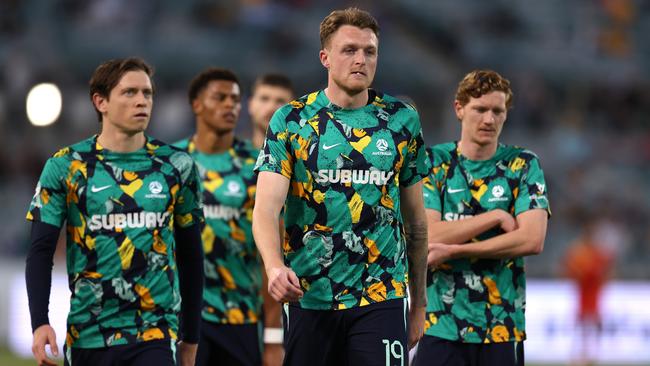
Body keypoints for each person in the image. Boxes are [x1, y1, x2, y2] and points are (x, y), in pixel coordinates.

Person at [253, 7, 430, 366]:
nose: (361, 59)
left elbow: (417, 223)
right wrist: (274, 267)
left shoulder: (401, 120)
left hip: (381, 296)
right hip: (311, 295)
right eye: (349, 50)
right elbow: (266, 210)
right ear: (325, 58)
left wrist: (419, 303)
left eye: (370, 51)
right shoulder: (291, 120)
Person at [25, 57, 204, 366]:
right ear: (101, 101)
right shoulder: (66, 166)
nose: (142, 101)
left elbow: (191, 255)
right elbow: (40, 251)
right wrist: (40, 322)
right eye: (129, 92)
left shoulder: (177, 166)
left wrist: (190, 336)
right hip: (89, 334)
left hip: (154, 335)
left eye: (147, 93)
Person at [413, 69, 551, 366]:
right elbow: (428, 236)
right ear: (459, 109)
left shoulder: (523, 164)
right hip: (441, 323)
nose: (489, 119)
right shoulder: (434, 162)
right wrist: (495, 216)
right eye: (480, 109)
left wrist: (457, 249)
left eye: (497, 111)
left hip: (501, 326)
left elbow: (532, 238)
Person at [173, 67, 281, 366]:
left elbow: (271, 257)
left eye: (234, 100)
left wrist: (273, 339)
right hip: (181, 317)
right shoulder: (171, 163)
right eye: (219, 98)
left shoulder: (259, 167)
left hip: (241, 316)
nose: (229, 106)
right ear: (196, 104)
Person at [563, 217, 613, 366]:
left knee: (594, 324)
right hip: (583, 294)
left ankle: (592, 354)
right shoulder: (580, 253)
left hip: (594, 294)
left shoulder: (597, 253)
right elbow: (570, 270)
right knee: (582, 325)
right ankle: (580, 355)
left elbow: (607, 271)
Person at [248, 73, 294, 149]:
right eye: (264, 99)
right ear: (250, 105)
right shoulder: (228, 157)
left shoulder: (309, 159)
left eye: (280, 101)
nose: (271, 107)